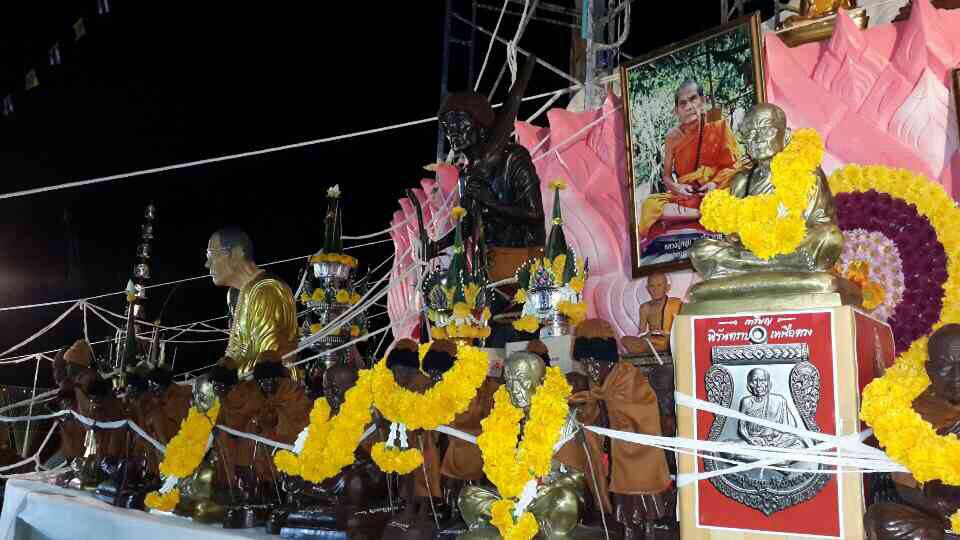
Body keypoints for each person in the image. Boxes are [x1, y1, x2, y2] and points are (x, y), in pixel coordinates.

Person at [568, 319, 672, 540]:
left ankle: (649, 527)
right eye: (585, 363)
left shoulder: (627, 375)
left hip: (636, 445)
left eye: (594, 362)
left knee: (641, 487)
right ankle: (628, 528)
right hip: (613, 448)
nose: (590, 368)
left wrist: (606, 402)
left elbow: (643, 407)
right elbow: (595, 410)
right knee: (621, 494)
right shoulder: (598, 382)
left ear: (606, 359)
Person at [865, 324, 960, 540]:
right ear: (929, 370)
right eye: (945, 366)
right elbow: (899, 484)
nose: (956, 376)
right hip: (934, 516)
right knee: (881, 519)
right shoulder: (913, 412)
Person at [638, 79, 742, 239]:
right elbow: (666, 177)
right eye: (683, 103)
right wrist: (677, 187)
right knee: (649, 205)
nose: (688, 107)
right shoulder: (672, 137)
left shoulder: (718, 124)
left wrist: (714, 184)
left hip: (714, 191)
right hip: (686, 194)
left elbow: (734, 165)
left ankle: (700, 212)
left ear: (703, 100)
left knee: (728, 200)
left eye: (693, 99)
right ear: (676, 111)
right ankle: (701, 214)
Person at [205, 227, 299, 380]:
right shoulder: (239, 292)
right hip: (243, 384)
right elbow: (235, 353)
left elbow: (269, 361)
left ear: (236, 253)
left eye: (212, 255)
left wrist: (226, 376)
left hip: (271, 388)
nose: (207, 264)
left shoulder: (267, 290)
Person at [737, 368, 806, 450]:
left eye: (762, 380)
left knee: (800, 444)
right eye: (755, 381)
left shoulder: (779, 400)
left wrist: (776, 439)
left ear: (769, 384)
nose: (758, 385)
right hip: (754, 440)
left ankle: (771, 449)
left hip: (777, 440)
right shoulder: (746, 402)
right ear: (749, 384)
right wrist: (749, 440)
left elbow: (790, 428)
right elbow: (742, 427)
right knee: (731, 448)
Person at [622, 272, 683, 355]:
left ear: (667, 287)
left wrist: (667, 334)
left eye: (659, 285)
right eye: (652, 286)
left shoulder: (676, 304)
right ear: (647, 288)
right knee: (625, 339)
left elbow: (682, 330)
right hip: (651, 341)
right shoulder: (645, 308)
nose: (655, 289)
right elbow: (641, 333)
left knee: (670, 342)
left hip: (668, 341)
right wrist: (647, 335)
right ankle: (647, 348)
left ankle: (646, 348)